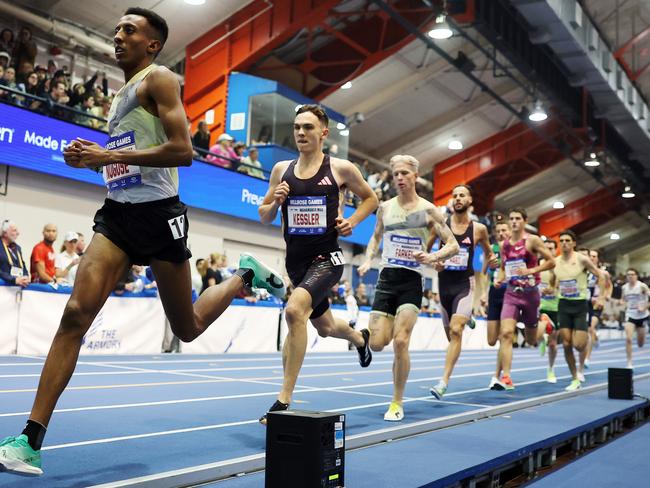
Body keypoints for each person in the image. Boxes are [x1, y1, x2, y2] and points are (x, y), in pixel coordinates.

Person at [0, 8, 285, 477]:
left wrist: (107, 153)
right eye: (117, 28)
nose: (118, 35)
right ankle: (30, 440)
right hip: (116, 216)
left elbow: (183, 151)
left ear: (152, 44)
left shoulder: (161, 79)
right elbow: (128, 161)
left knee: (188, 326)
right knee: (75, 314)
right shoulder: (119, 97)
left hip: (160, 218)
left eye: (129, 30)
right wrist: (93, 161)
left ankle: (244, 275)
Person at [257, 104, 378, 424]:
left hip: (328, 258)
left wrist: (352, 221)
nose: (300, 132)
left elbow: (371, 199)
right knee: (324, 328)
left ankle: (283, 399)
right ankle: (359, 338)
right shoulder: (281, 170)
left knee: (295, 310)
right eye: (297, 127)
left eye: (308, 127)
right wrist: (275, 201)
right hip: (295, 262)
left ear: (323, 133)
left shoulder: (341, 168)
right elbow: (264, 215)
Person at [358, 154, 458, 421]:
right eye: (396, 174)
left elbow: (453, 245)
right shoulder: (385, 208)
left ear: (415, 176)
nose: (400, 178)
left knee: (401, 341)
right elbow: (376, 236)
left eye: (404, 173)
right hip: (386, 278)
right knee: (378, 344)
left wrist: (433, 257)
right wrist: (368, 259)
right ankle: (363, 339)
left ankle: (396, 402)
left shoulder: (428, 210)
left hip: (412, 281)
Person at [425, 184, 497, 399]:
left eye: (462, 195)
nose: (457, 198)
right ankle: (468, 316)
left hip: (465, 285)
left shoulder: (478, 230)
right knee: (451, 335)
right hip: (444, 285)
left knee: (456, 330)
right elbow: (427, 251)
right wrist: (434, 263)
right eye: (454, 195)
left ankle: (443, 382)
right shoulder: (440, 225)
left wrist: (492, 262)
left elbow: (489, 254)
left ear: (469, 201)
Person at [490, 208, 555, 390]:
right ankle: (507, 377)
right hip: (511, 293)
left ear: (525, 221)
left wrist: (531, 271)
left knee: (532, 340)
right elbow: (504, 266)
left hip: (530, 294)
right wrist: (499, 278)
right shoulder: (505, 245)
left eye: (518, 218)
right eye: (511, 219)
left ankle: (544, 323)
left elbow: (551, 261)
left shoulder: (531, 241)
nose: (514, 222)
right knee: (506, 334)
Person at [554, 230, 605, 391]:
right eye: (561, 240)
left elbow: (600, 276)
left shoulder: (582, 259)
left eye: (567, 240)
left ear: (574, 243)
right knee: (567, 343)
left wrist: (602, 297)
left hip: (580, 306)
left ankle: (585, 345)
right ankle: (575, 378)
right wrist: (550, 288)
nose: (564, 243)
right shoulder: (555, 261)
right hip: (563, 304)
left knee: (578, 344)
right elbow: (551, 278)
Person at [483, 217, 510, 388]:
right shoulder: (491, 249)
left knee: (504, 336)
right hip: (494, 294)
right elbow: (484, 273)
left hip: (510, 294)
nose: (501, 234)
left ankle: (498, 376)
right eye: (498, 231)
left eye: (503, 231)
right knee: (492, 340)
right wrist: (483, 294)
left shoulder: (516, 249)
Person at [581, 249, 612, 370]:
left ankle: (587, 358)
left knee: (590, 328)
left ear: (597, 258)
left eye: (595, 256)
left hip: (596, 305)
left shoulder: (603, 273)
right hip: (585, 302)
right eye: (591, 256)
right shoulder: (583, 271)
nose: (592, 258)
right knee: (587, 330)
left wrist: (604, 297)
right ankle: (596, 337)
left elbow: (609, 287)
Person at [537, 239, 560, 383]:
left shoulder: (559, 266)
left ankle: (551, 369)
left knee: (553, 344)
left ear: (555, 250)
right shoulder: (538, 265)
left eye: (551, 248)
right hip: (540, 306)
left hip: (556, 308)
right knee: (538, 334)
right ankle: (541, 340)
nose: (549, 250)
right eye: (546, 248)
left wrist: (555, 289)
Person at [620, 268, 649, 369]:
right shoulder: (624, 288)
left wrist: (644, 307)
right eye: (628, 275)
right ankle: (629, 363)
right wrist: (621, 303)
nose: (630, 276)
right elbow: (623, 299)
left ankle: (641, 337)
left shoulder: (642, 286)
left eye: (632, 274)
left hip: (642, 315)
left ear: (636, 276)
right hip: (630, 314)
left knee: (640, 344)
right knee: (628, 339)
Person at [0, 220, 29, 287]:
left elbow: (23, 265)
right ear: (5, 233)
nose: (18, 233)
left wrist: (26, 277)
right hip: (3, 287)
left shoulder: (17, 248)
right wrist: (13, 279)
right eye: (14, 230)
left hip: (17, 286)